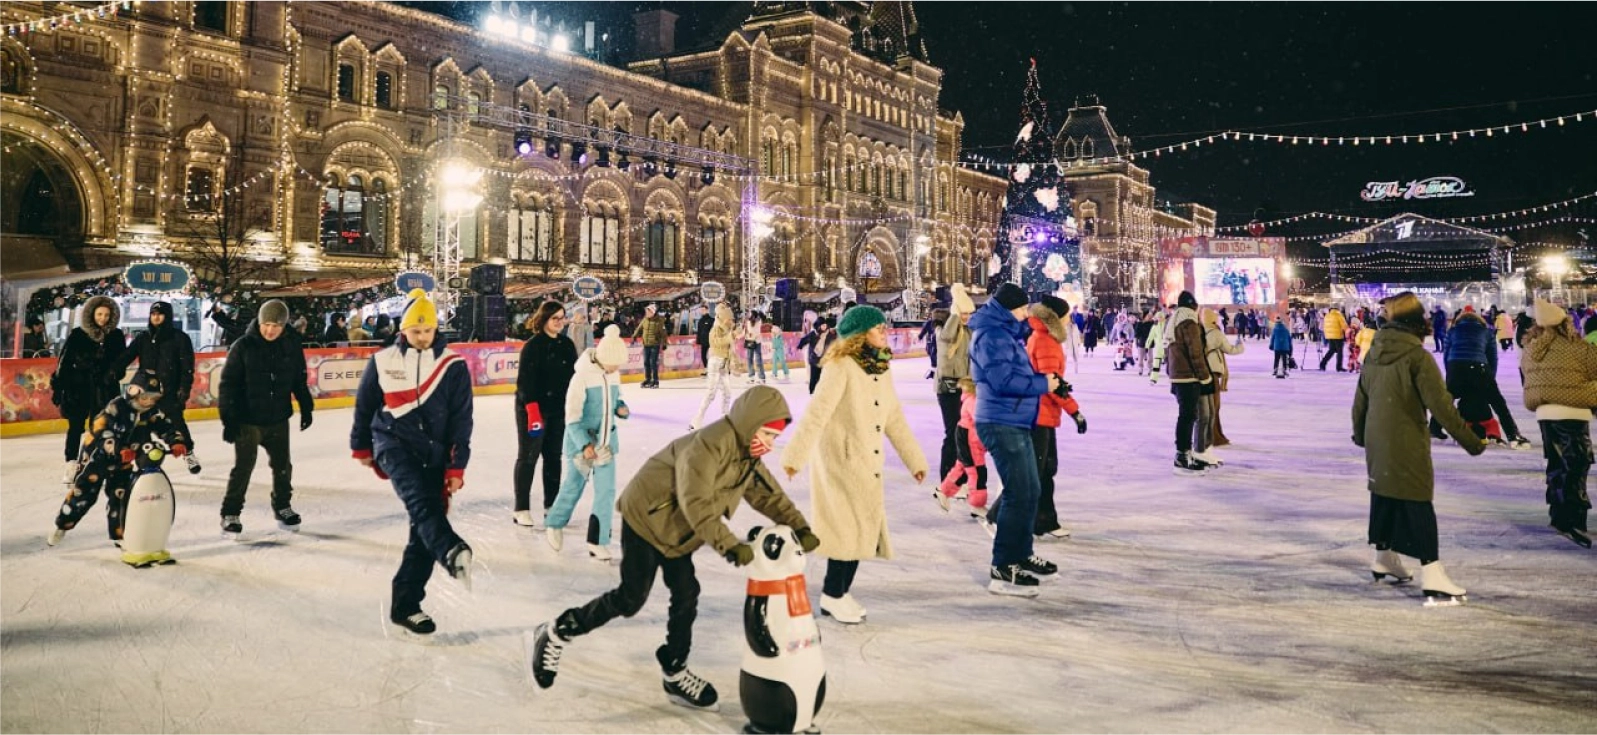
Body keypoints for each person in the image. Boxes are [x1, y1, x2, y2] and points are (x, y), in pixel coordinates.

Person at [527, 386, 817, 710]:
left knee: (686, 592)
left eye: (774, 436)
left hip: (678, 532)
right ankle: (557, 630)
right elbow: (696, 502)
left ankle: (675, 671)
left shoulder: (745, 456)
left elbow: (767, 494)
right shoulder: (708, 446)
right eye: (766, 432)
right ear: (750, 423)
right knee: (631, 596)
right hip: (647, 519)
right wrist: (730, 546)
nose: (769, 442)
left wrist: (800, 526)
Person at [780, 305, 929, 623]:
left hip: (866, 461)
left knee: (861, 530)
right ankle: (834, 595)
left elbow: (894, 418)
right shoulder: (841, 366)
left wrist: (914, 460)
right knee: (845, 531)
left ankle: (839, 593)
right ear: (861, 335)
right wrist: (795, 457)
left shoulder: (880, 367)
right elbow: (817, 412)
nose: (884, 333)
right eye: (878, 329)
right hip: (840, 461)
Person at [350, 290, 474, 635]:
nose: (422, 337)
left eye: (428, 330)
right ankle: (451, 550)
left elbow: (462, 420)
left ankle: (406, 604)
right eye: (416, 331)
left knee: (423, 528)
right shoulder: (384, 361)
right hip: (392, 442)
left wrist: (456, 466)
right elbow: (365, 405)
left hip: (434, 451)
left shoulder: (452, 366)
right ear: (403, 330)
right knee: (420, 503)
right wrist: (361, 447)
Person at [1352, 292, 1484, 605]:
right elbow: (1440, 405)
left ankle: (1385, 556)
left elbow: (1360, 400)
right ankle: (1433, 572)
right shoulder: (1417, 356)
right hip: (1406, 437)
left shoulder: (1374, 352)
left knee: (1384, 492)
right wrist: (1472, 442)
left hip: (1377, 437)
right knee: (1417, 499)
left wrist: (1361, 435)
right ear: (1418, 319)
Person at [967, 283, 1061, 597]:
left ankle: (1020, 554)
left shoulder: (1003, 332)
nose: (1025, 314)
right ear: (1009, 308)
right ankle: (1004, 566)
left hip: (1013, 419)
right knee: (1020, 492)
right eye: (1021, 308)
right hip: (999, 420)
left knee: (1029, 489)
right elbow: (1002, 380)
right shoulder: (992, 335)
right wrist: (1043, 383)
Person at [48, 369, 190, 549]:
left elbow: (165, 426)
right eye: (145, 397)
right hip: (96, 459)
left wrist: (176, 441)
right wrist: (117, 447)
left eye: (153, 398)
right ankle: (62, 524)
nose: (149, 402)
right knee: (83, 496)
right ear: (133, 392)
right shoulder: (116, 407)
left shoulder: (151, 412)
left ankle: (119, 535)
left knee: (120, 497)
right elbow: (101, 430)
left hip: (123, 462)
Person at [217, 299, 314, 536]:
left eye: (276, 325)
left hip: (278, 418)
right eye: (267, 324)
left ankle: (283, 506)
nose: (270, 330)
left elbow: (298, 379)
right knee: (243, 468)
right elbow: (228, 385)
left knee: (283, 466)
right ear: (259, 322)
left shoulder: (291, 345)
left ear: (284, 326)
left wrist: (306, 406)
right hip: (247, 419)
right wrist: (228, 419)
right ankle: (231, 512)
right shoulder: (243, 346)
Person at [545, 325, 631, 560]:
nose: (617, 368)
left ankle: (598, 540)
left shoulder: (613, 374)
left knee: (606, 491)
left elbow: (614, 400)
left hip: (606, 444)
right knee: (573, 486)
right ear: (604, 358)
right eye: (614, 363)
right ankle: (554, 522)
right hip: (581, 444)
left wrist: (621, 409)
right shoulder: (581, 378)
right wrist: (584, 445)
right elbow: (572, 418)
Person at [1520, 298, 1597, 548]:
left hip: (1545, 413)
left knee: (1556, 462)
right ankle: (1573, 519)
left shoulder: (1530, 348)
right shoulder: (1578, 347)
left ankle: (1558, 514)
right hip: (1573, 411)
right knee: (1577, 462)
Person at [1009, 295, 1085, 541]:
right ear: (1056, 318)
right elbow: (1051, 383)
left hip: (1039, 414)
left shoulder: (1041, 337)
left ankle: (1041, 520)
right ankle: (1021, 519)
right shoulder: (1045, 342)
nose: (1068, 320)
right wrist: (1074, 411)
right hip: (1038, 415)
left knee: (1042, 471)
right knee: (1038, 472)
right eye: (1066, 316)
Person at [111, 301, 200, 474]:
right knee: (137, 425)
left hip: (169, 390)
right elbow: (127, 356)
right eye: (153, 314)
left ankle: (188, 452)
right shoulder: (143, 337)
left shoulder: (179, 338)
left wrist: (184, 389)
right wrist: (113, 370)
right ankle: (132, 460)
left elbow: (187, 367)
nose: (156, 317)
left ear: (167, 316)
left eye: (160, 314)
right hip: (144, 390)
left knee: (176, 423)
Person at [514, 301, 578, 528]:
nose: (560, 322)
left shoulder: (567, 345)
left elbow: (574, 379)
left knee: (553, 457)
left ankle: (552, 505)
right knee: (528, 457)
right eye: (555, 318)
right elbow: (525, 383)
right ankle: (521, 508)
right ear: (544, 320)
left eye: (562, 318)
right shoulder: (533, 346)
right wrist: (532, 412)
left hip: (558, 410)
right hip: (533, 409)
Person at [51, 295, 127, 484]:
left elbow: (121, 364)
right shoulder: (78, 334)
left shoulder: (116, 336)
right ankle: (71, 464)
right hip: (78, 389)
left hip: (103, 390)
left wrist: (112, 374)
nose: (102, 318)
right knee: (75, 428)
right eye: (99, 314)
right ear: (92, 314)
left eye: (106, 315)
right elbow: (65, 362)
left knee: (98, 428)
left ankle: (92, 463)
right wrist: (59, 388)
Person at [1153, 291, 1216, 473]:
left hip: (1178, 376)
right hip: (1188, 377)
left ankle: (1185, 454)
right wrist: (1205, 378)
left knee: (1188, 416)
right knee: (1188, 416)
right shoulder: (1189, 323)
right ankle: (1181, 457)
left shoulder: (1173, 321)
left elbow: (1168, 351)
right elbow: (1195, 353)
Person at [934, 284, 976, 495]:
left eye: (969, 313)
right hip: (947, 388)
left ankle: (959, 478)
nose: (967, 317)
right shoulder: (944, 332)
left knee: (964, 435)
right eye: (963, 313)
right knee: (952, 434)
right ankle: (947, 480)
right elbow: (949, 335)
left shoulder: (968, 332)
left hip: (965, 388)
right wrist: (955, 314)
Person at [935, 378, 989, 516]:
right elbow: (981, 419)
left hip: (970, 438)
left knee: (962, 468)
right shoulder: (974, 401)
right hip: (970, 439)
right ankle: (977, 504)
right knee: (976, 471)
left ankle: (944, 491)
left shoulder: (973, 399)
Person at [1202, 308, 1245, 453]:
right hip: (1212, 372)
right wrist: (1240, 346)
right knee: (1214, 406)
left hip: (1201, 372)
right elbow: (1230, 349)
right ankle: (1214, 436)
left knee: (1207, 407)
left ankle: (1211, 435)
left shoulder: (1199, 331)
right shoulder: (1215, 333)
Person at [689, 302, 736, 430]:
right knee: (711, 393)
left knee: (727, 392)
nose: (730, 321)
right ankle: (696, 420)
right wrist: (730, 337)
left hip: (724, 364)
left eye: (731, 318)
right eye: (728, 318)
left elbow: (731, 348)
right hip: (715, 362)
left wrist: (735, 362)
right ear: (722, 317)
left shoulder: (728, 329)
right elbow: (716, 343)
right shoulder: (715, 329)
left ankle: (725, 417)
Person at [796, 318, 838, 395]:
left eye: (825, 325)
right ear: (818, 326)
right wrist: (800, 346)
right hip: (814, 359)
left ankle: (822, 391)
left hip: (825, 359)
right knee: (814, 377)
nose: (824, 327)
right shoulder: (813, 334)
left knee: (823, 376)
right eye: (822, 326)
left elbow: (838, 337)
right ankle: (812, 391)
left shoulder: (831, 334)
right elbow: (804, 339)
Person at [631, 304, 667, 388]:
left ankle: (655, 380)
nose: (646, 312)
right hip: (646, 344)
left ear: (653, 312)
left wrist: (664, 343)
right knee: (646, 362)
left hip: (655, 344)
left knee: (653, 363)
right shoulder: (645, 319)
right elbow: (639, 329)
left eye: (648, 311)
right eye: (646, 311)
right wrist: (634, 336)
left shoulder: (659, 321)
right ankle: (648, 379)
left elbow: (664, 334)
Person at [917, 308, 947, 379]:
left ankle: (939, 373)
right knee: (933, 359)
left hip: (939, 344)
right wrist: (920, 336)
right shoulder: (930, 323)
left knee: (938, 359)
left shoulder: (944, 323)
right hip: (931, 344)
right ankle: (933, 372)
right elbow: (924, 330)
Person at [1319, 306, 1349, 371]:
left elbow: (1325, 326)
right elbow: (1344, 326)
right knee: (1339, 352)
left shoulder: (1327, 315)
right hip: (1338, 335)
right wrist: (1348, 331)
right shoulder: (1339, 315)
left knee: (1331, 350)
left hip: (1329, 336)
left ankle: (1322, 363)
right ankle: (1339, 367)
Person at [741, 312, 767, 384]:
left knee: (758, 360)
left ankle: (762, 378)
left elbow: (755, 332)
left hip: (756, 342)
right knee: (749, 359)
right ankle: (751, 377)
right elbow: (746, 331)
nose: (749, 317)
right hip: (749, 341)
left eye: (750, 315)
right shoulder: (748, 321)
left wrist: (751, 335)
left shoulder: (758, 321)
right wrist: (740, 335)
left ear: (754, 316)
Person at [694, 306, 714, 375]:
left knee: (711, 356)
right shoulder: (700, 321)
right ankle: (706, 370)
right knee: (703, 356)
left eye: (703, 310)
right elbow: (699, 332)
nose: (702, 311)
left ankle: (713, 370)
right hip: (703, 342)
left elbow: (714, 331)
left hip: (711, 342)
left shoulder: (712, 320)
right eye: (701, 310)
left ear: (707, 310)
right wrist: (698, 341)